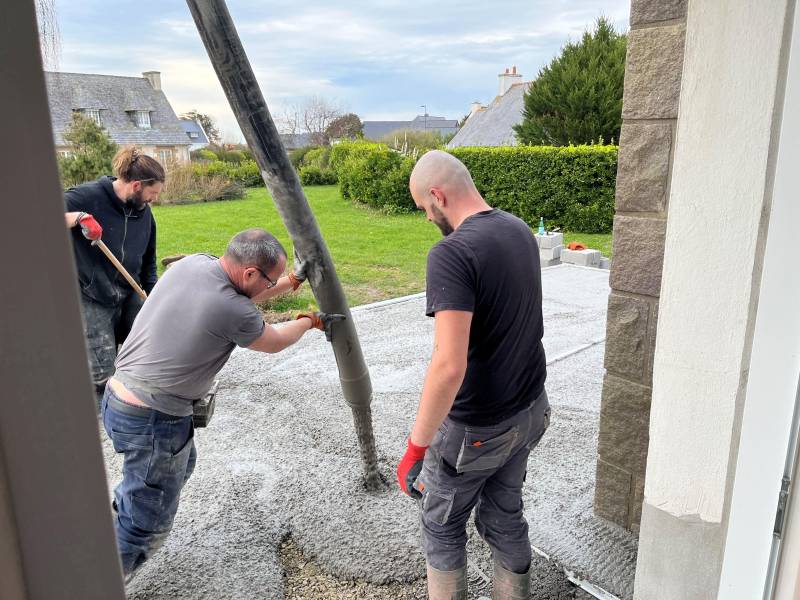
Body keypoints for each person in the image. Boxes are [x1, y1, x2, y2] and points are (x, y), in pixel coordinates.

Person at [101, 228, 343, 578]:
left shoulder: (194, 265)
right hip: (153, 419)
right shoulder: (233, 309)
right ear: (249, 272)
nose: (268, 286)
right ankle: (98, 580)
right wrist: (308, 321)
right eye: (269, 280)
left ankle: (117, 519)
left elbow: (242, 297)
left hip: (118, 399)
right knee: (146, 525)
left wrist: (291, 281)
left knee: (177, 467)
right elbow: (272, 341)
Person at [396, 151, 550, 600]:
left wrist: (415, 448)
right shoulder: (519, 230)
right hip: (530, 412)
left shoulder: (452, 253)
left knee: (441, 524)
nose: (428, 218)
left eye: (426, 208)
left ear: (439, 195)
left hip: (478, 431)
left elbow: (448, 365)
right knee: (504, 515)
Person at [64, 147, 165, 404]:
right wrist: (77, 218)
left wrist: (152, 298)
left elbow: (148, 262)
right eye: (152, 193)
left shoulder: (145, 214)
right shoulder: (86, 197)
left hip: (128, 290)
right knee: (102, 366)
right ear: (136, 185)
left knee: (149, 344)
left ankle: (140, 402)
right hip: (91, 294)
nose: (153, 199)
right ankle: (105, 414)